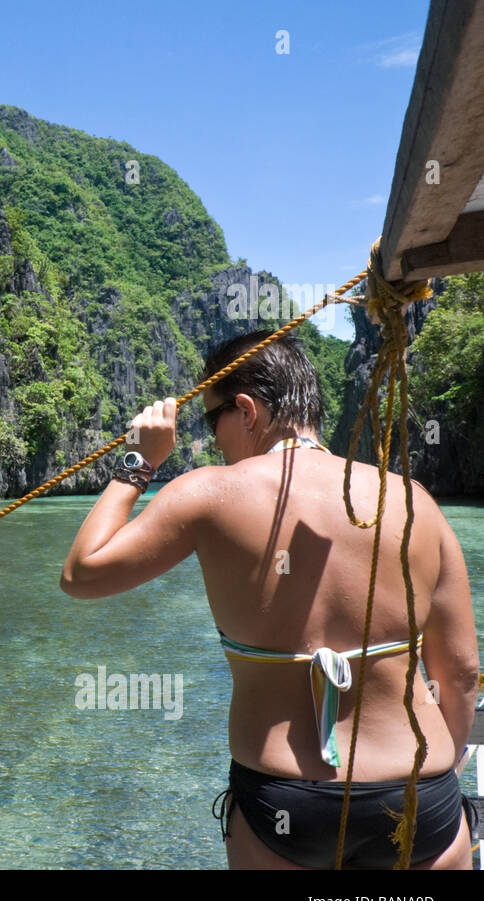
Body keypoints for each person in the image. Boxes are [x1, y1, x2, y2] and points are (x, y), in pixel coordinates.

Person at [59, 329, 479, 869]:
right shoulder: (413, 501)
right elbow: (462, 672)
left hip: (285, 802)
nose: (214, 442)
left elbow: (81, 573)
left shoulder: (208, 492)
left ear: (246, 409)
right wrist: (440, 779)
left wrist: (139, 462)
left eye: (213, 422)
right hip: (419, 800)